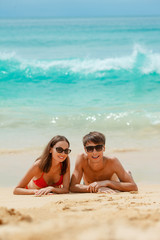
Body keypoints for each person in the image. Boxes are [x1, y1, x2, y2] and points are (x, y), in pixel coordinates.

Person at [70, 131, 138, 193]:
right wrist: (99, 188)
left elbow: (133, 187)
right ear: (85, 150)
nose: (94, 152)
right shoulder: (82, 159)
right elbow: (72, 187)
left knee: (125, 176)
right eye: (90, 149)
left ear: (104, 148)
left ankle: (126, 173)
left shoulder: (112, 161)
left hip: (114, 184)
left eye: (98, 148)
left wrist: (107, 183)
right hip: (89, 185)